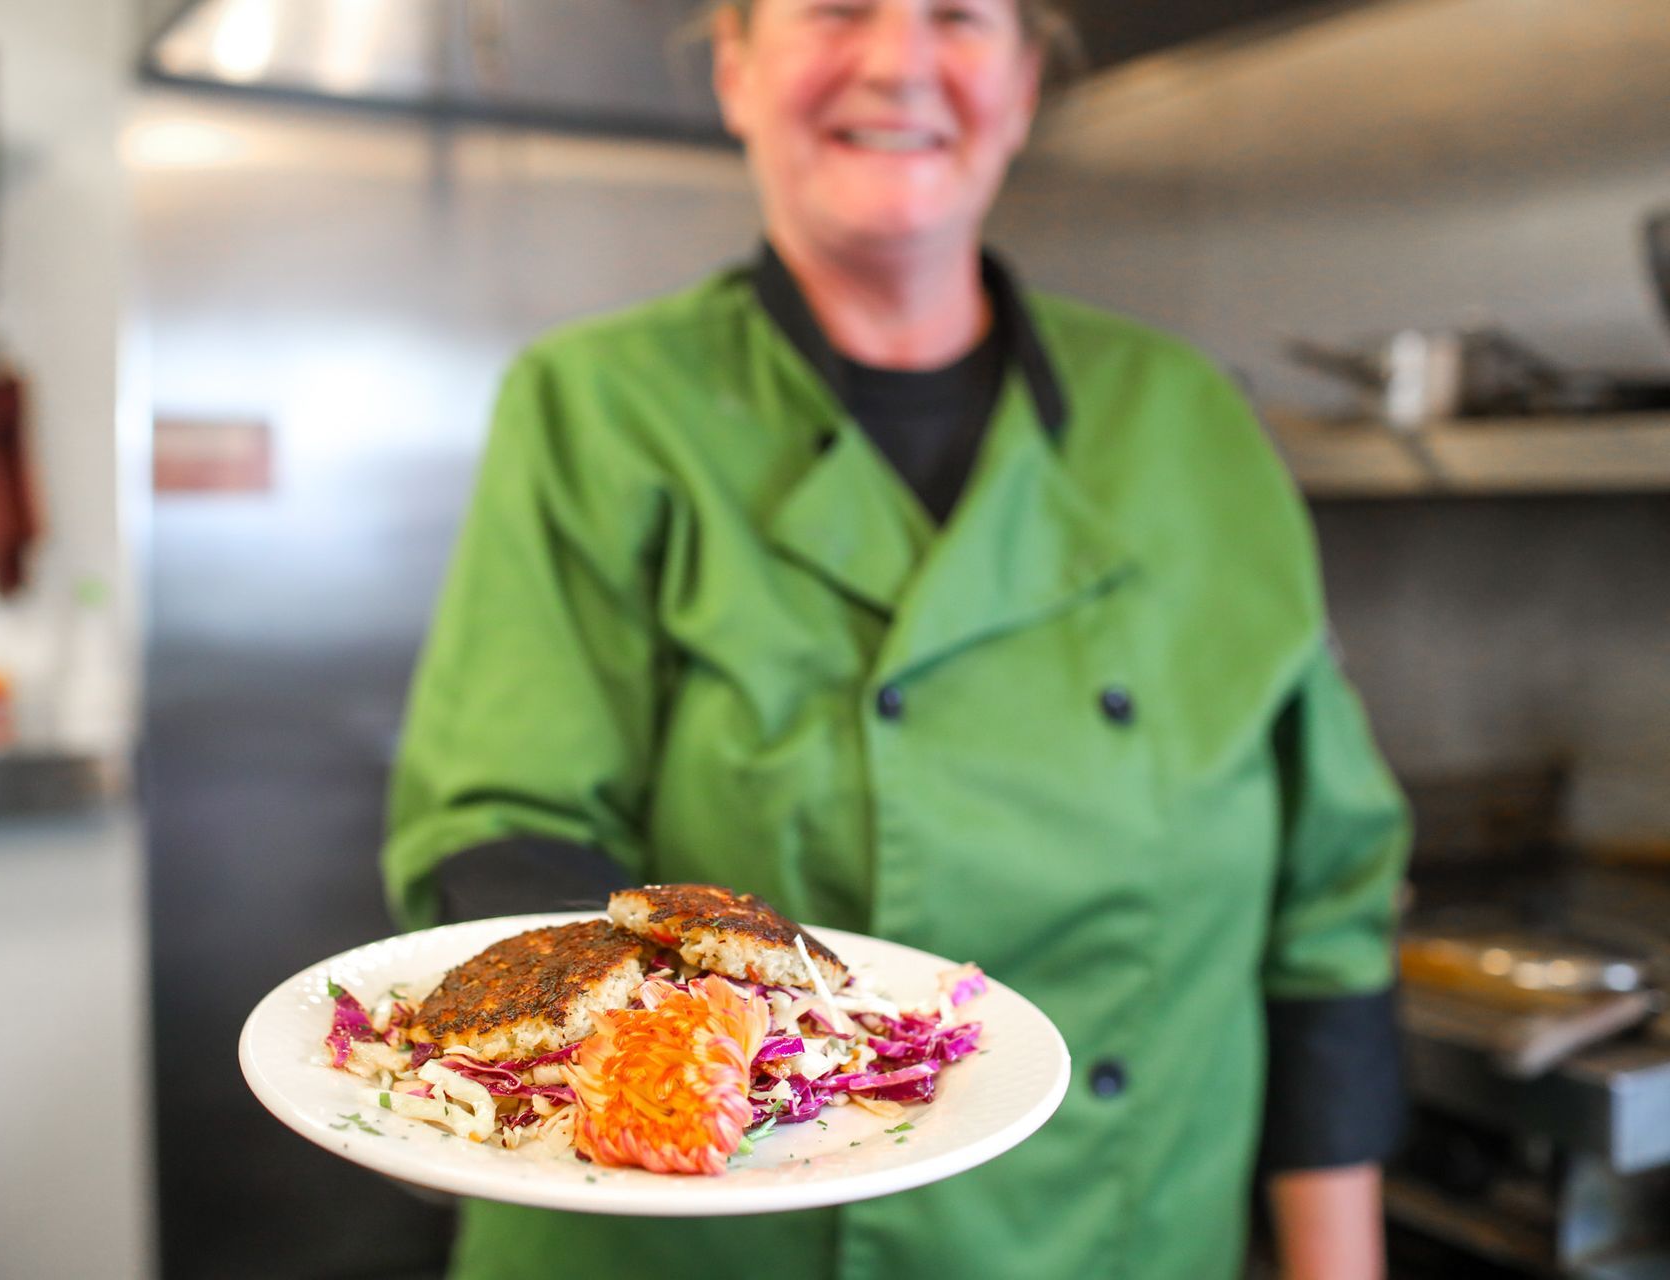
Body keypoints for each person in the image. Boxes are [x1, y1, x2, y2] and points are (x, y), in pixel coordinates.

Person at [383, 1, 1409, 1277]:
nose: (897, 58)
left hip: (1114, 1227)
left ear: (1025, 82)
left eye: (960, 15)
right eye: (838, 8)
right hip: (691, 1227)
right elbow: (504, 837)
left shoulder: (1187, 421)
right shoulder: (598, 408)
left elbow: (1324, 916)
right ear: (735, 69)